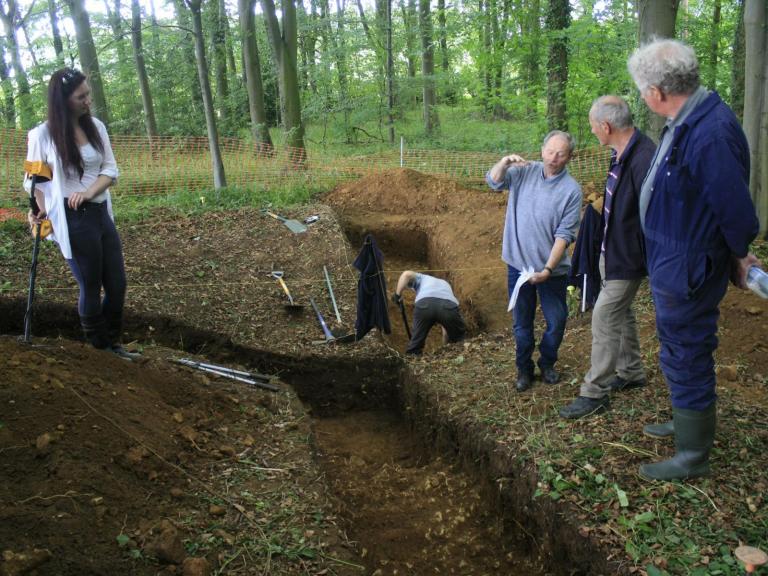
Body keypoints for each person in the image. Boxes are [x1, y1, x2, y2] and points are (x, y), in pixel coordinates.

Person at [628, 39, 760, 480]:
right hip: (672, 260)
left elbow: (735, 210)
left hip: (689, 266)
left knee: (688, 352)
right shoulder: (687, 120)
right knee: (676, 348)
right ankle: (686, 421)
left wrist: (740, 254)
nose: (642, 96)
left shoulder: (710, 132)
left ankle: (693, 455)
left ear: (659, 92)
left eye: (642, 89)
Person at [25, 68, 138, 359]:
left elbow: (111, 170)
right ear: (62, 101)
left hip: (99, 212)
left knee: (117, 284)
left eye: (88, 94)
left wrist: (89, 192)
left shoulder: (96, 127)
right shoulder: (42, 135)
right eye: (81, 96)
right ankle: (100, 350)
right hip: (72, 218)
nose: (88, 100)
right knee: (90, 284)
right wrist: (37, 212)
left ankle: (113, 343)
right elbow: (34, 181)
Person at [559, 96, 656, 419]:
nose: (592, 132)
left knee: (603, 316)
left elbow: (653, 216)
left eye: (592, 127)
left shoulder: (644, 159)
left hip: (628, 257)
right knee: (622, 313)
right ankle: (631, 372)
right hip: (611, 252)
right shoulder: (621, 154)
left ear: (606, 126)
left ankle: (594, 391)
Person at [487, 131, 582, 392]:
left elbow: (564, 235)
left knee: (557, 319)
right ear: (542, 150)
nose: (554, 157)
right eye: (550, 151)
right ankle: (524, 369)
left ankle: (548, 361)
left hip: (552, 271)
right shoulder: (523, 171)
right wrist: (504, 162)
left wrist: (547, 269)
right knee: (522, 324)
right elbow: (493, 182)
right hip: (518, 266)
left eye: (561, 153)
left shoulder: (571, 191)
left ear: (569, 157)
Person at [392, 270, 466, 355]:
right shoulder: (445, 284)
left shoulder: (422, 277)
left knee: (416, 343)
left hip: (425, 304)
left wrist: (397, 295)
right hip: (448, 306)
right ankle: (460, 357)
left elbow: (406, 274)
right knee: (459, 340)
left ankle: (413, 358)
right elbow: (445, 333)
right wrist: (444, 350)